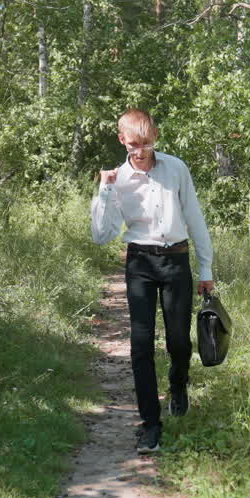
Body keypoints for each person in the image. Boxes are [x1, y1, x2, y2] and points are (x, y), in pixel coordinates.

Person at [90, 109, 214, 454]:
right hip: (140, 262)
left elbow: (194, 216)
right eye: (133, 145)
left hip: (176, 260)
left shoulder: (176, 168)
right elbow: (102, 236)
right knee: (141, 344)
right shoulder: (117, 180)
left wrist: (206, 268)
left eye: (146, 143)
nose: (140, 151)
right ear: (121, 140)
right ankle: (150, 424)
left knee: (178, 341)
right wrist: (104, 191)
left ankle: (178, 383)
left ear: (155, 138)